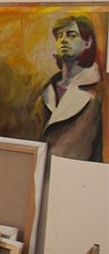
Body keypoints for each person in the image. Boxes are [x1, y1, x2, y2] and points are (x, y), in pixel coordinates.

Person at [38, 14, 103, 162]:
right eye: (59, 36)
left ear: (88, 42)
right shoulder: (45, 91)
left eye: (71, 35)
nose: (63, 40)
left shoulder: (99, 92)